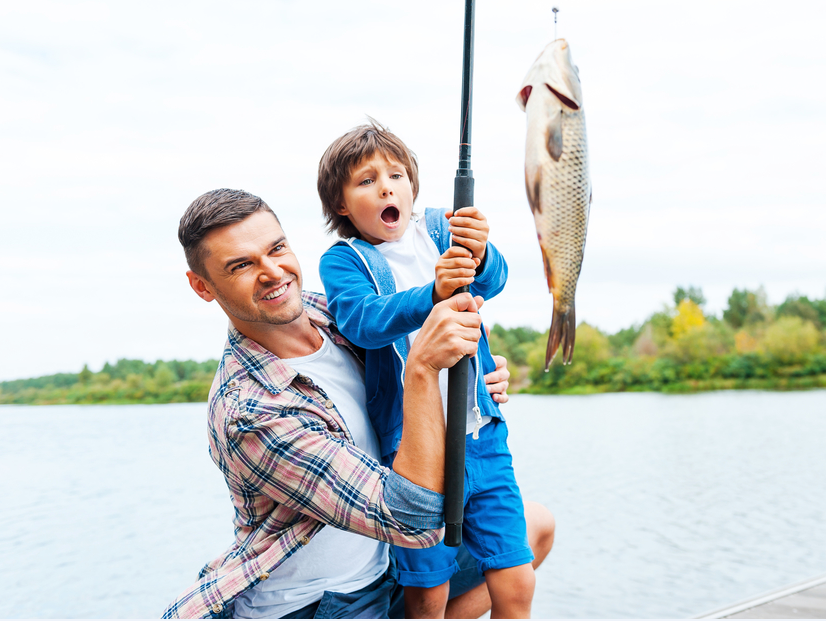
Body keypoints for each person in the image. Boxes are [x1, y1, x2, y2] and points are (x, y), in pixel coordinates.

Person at [162, 189, 554, 619]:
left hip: (384, 567)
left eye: (276, 248)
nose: (272, 272)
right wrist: (423, 369)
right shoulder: (249, 410)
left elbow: (408, 327)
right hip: (322, 603)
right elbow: (409, 520)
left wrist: (472, 378)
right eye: (241, 265)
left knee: (534, 528)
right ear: (203, 286)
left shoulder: (330, 314)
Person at [316, 122, 534, 618]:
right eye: (366, 181)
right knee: (428, 590)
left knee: (515, 575)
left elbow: (493, 282)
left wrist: (481, 251)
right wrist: (432, 294)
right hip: (413, 449)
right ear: (342, 206)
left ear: (414, 186)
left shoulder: (440, 228)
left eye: (396, 174)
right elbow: (363, 321)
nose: (386, 186)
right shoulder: (345, 260)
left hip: (482, 435)